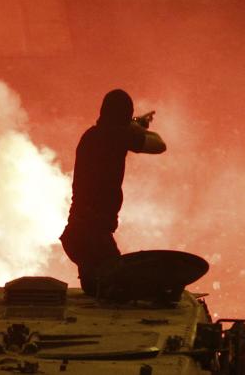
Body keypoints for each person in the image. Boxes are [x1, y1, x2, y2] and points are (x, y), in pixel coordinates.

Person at [60, 90, 167, 296]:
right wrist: (134, 127)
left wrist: (132, 125)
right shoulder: (116, 135)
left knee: (99, 295)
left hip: (78, 234)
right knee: (121, 292)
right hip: (94, 236)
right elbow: (159, 144)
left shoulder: (91, 136)